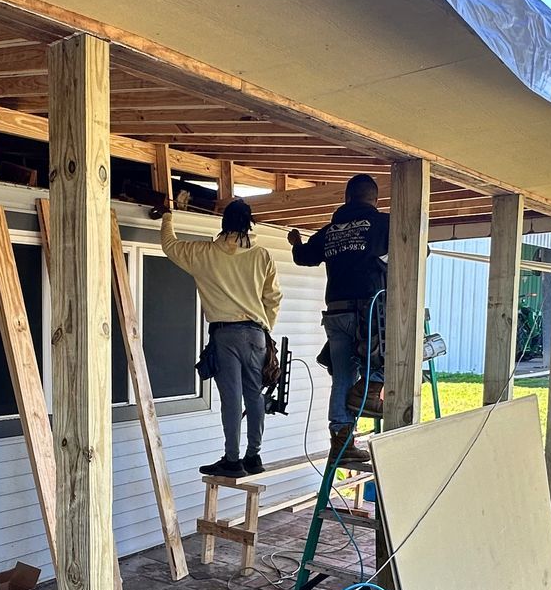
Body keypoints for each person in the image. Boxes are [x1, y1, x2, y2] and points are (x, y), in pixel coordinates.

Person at [159, 198, 282, 477]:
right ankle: (254, 457)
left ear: (223, 224)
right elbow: (273, 297)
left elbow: (170, 246)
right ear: (249, 225)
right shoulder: (262, 255)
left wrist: (167, 217)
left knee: (231, 399)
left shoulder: (203, 253)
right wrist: (265, 326)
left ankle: (232, 460)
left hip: (225, 335)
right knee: (254, 396)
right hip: (256, 334)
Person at [288, 173, 389, 445]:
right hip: (369, 314)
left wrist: (296, 241)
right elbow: (418, 249)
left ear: (347, 198)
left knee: (342, 375)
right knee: (392, 356)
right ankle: (367, 391)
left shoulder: (329, 231)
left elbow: (303, 257)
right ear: (375, 200)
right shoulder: (382, 224)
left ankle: (341, 438)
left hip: (335, 314)